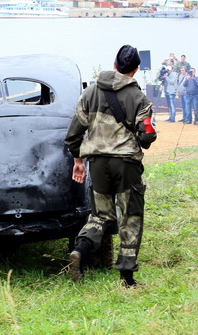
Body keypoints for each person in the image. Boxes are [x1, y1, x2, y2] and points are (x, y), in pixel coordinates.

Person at [65, 45, 157, 288]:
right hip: (126, 165)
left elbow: (74, 134)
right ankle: (127, 279)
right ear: (135, 70)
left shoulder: (89, 93)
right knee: (130, 217)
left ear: (114, 65)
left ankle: (79, 252)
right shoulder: (139, 99)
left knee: (100, 216)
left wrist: (77, 161)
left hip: (97, 165)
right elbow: (146, 136)